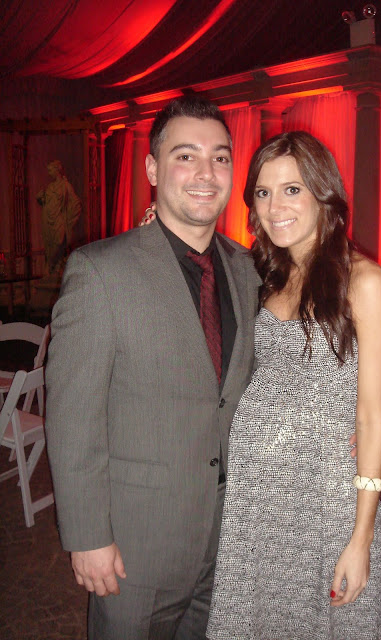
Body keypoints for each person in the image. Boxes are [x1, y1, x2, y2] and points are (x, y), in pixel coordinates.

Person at [45, 96, 260, 640]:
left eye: (220, 158)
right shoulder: (100, 272)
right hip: (135, 546)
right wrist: (87, 536)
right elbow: (73, 418)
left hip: (226, 536)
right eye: (186, 156)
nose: (206, 173)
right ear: (152, 169)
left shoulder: (247, 270)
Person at [206, 131, 381, 640]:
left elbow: (372, 416)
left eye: (292, 189)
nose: (275, 207)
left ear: (323, 192)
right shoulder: (263, 273)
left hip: (326, 503)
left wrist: (361, 538)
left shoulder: (364, 282)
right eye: (263, 192)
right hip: (256, 502)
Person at [36, 160, 82, 274]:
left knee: (59, 241)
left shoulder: (65, 185)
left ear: (57, 170)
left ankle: (51, 264)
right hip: (47, 219)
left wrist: (71, 216)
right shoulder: (50, 186)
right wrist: (40, 199)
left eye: (50, 170)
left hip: (59, 219)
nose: (49, 173)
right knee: (50, 244)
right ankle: (54, 266)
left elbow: (75, 202)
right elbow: (46, 202)